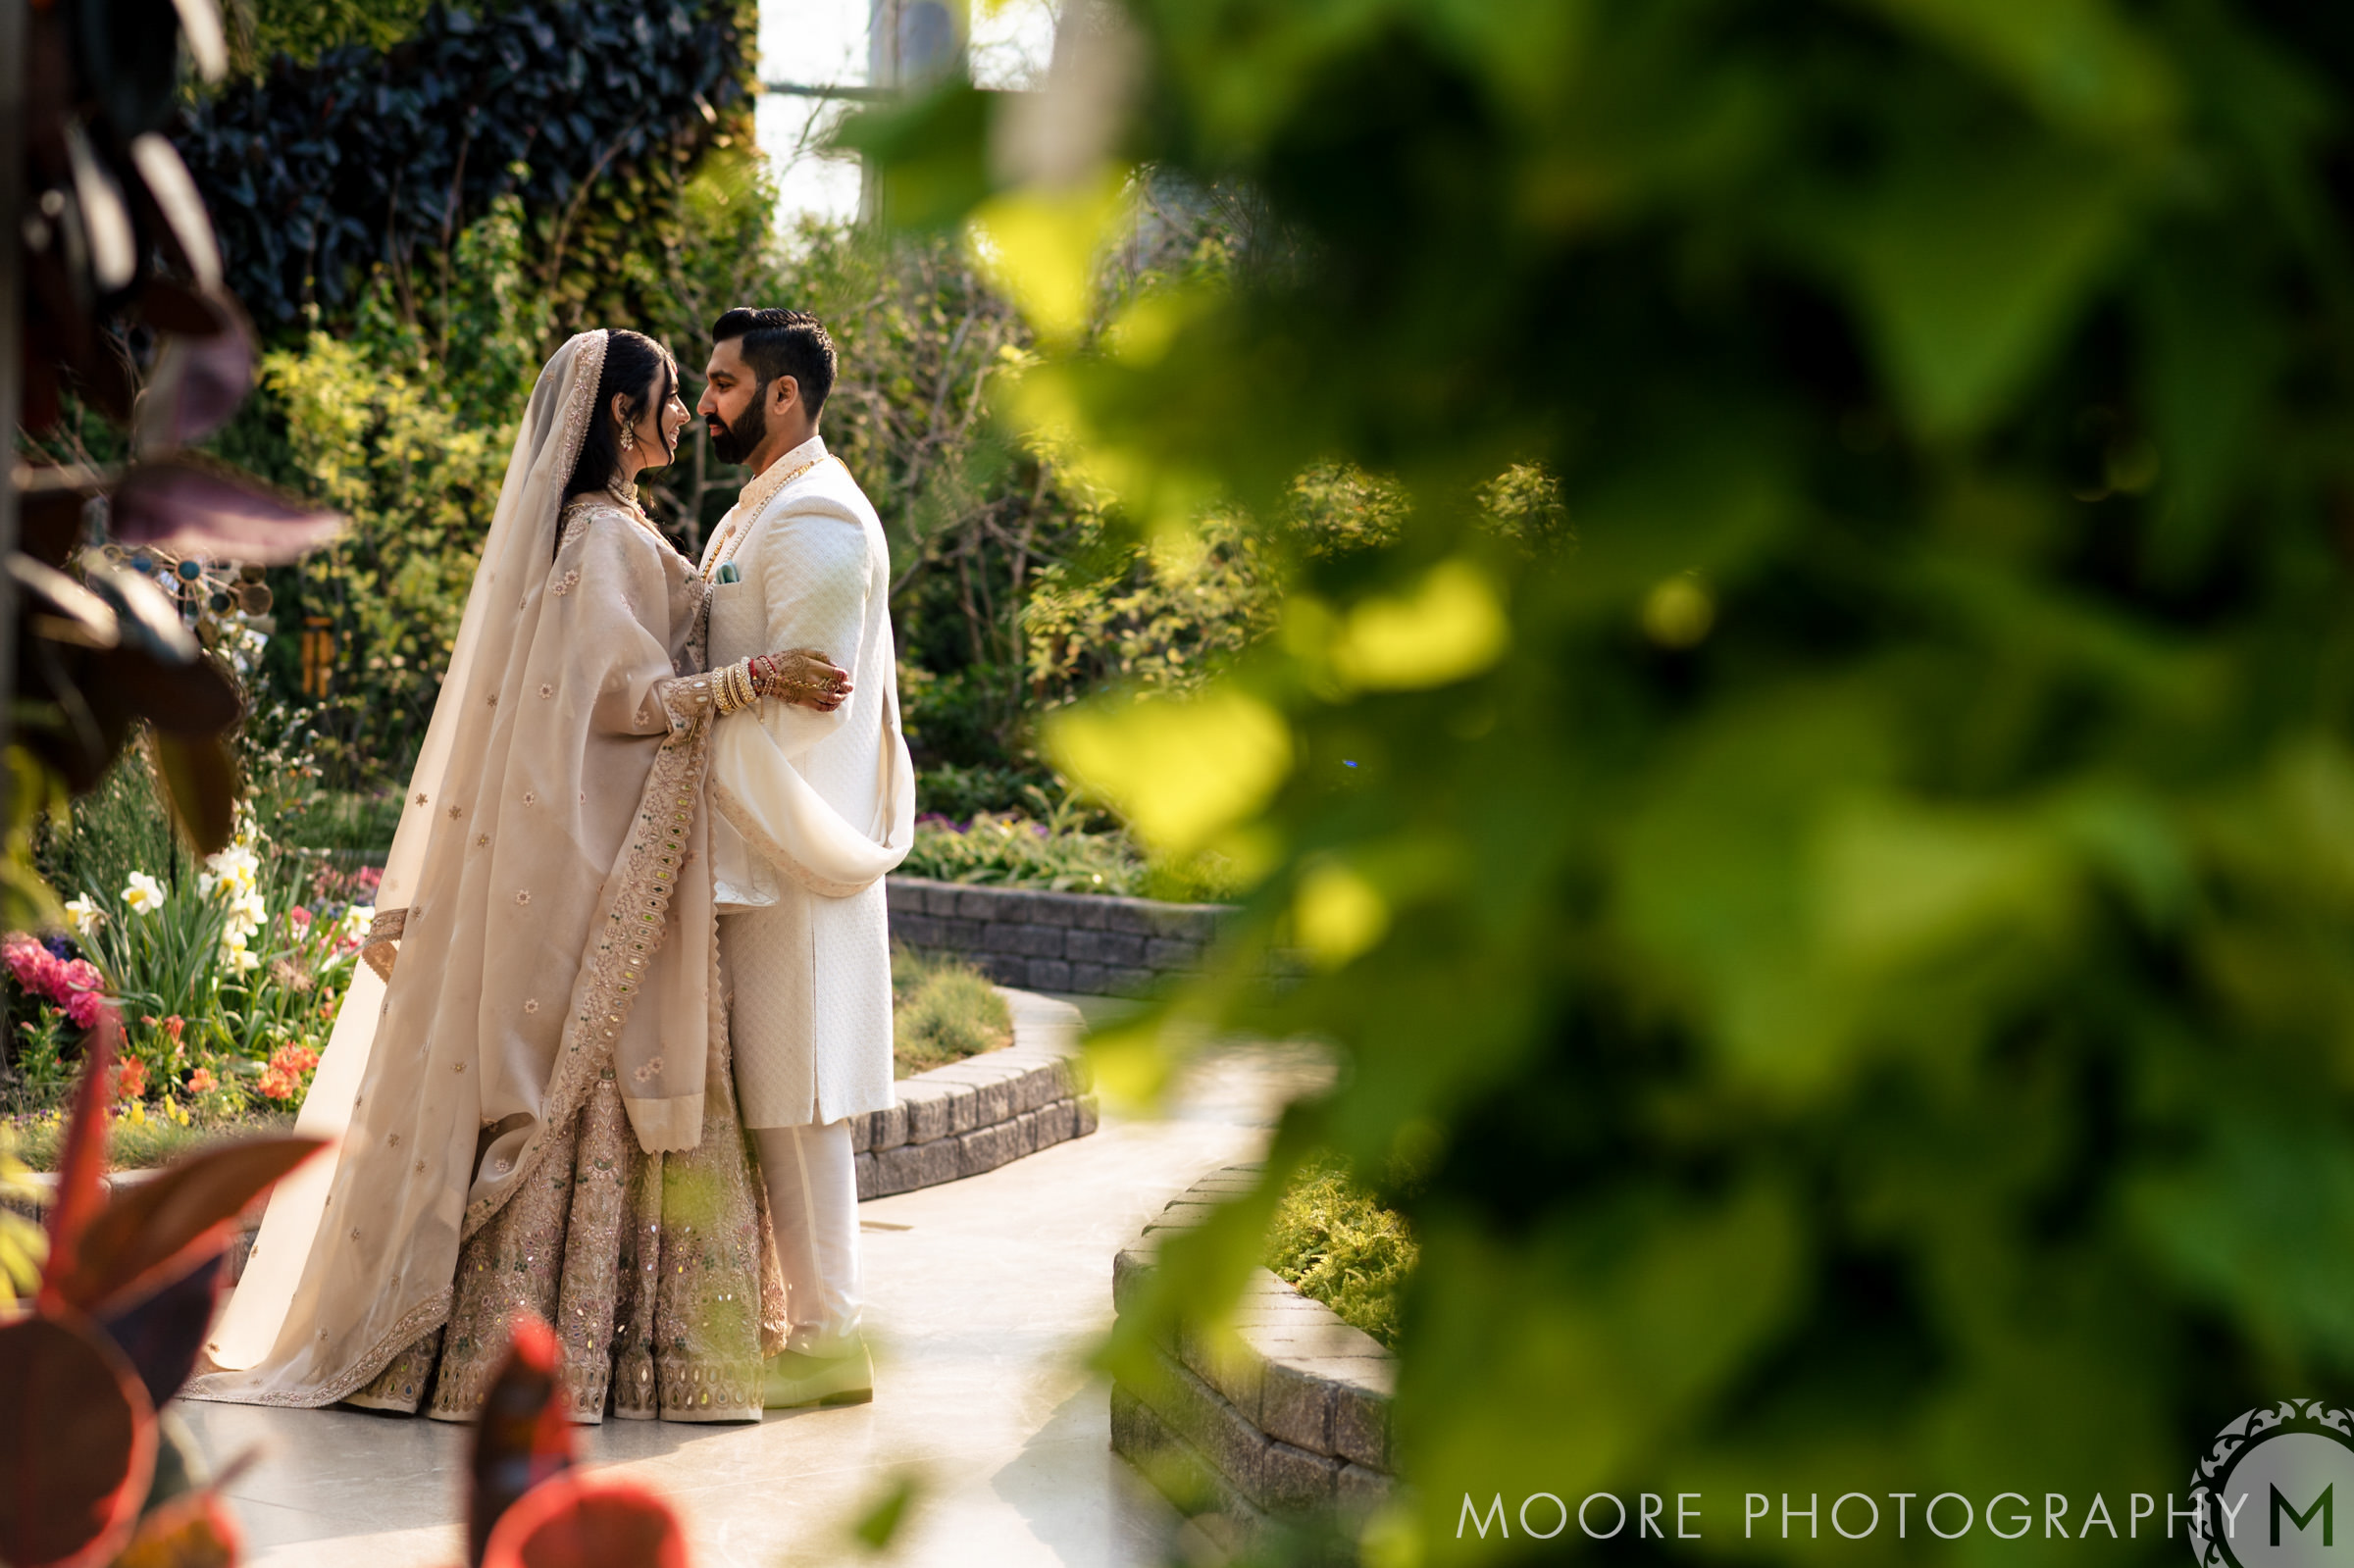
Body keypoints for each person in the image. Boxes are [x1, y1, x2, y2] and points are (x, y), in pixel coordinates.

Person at [187, 329, 852, 1422]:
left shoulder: (617, 528)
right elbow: (622, 705)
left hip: (627, 854)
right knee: (580, 1079)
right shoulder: (596, 539)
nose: (685, 415)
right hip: (603, 866)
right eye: (671, 398)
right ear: (624, 421)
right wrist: (751, 680)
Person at [695, 307, 916, 1408]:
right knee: (777, 1100)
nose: (704, 403)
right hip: (748, 852)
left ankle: (835, 1340)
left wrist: (689, 722)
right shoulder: (759, 508)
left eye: (725, 383)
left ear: (784, 395)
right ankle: (817, 1334)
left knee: (805, 1100)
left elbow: (809, 713)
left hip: (788, 853)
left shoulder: (819, 517)